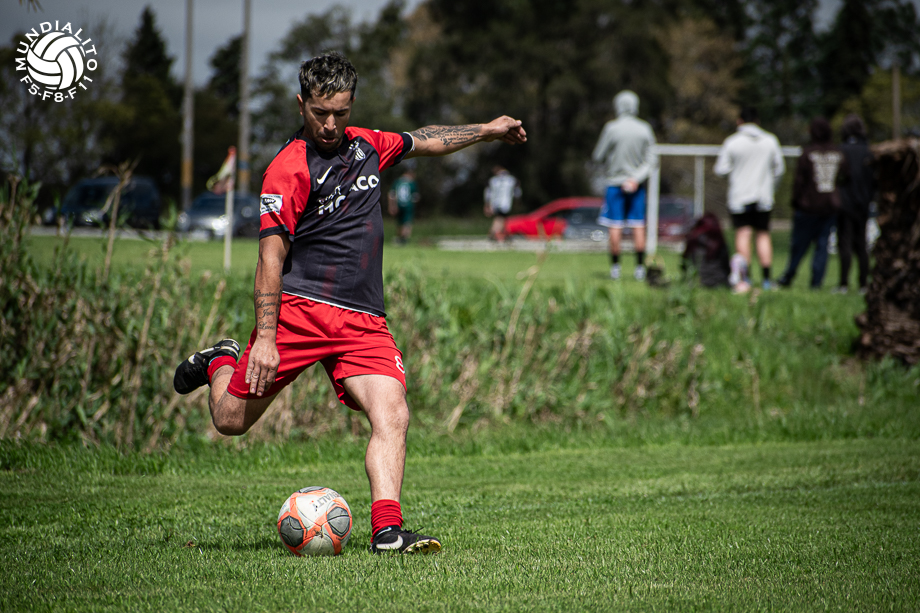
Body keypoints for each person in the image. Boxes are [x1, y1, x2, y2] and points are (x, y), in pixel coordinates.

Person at [172, 52, 526, 554]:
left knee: (393, 413)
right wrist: (266, 338)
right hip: (300, 312)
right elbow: (270, 258)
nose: (331, 124)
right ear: (301, 104)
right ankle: (222, 361)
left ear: (352, 104)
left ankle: (387, 531)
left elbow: (426, 139)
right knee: (230, 420)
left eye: (341, 112)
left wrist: (487, 130)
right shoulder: (288, 169)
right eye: (320, 112)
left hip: (363, 320)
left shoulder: (368, 146)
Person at [713, 106, 785, 290]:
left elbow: (721, 169)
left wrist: (736, 171)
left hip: (740, 196)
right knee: (763, 234)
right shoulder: (770, 140)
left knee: (743, 233)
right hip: (763, 196)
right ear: (757, 121)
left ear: (739, 121)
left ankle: (745, 278)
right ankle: (767, 279)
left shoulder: (733, 142)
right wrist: (771, 187)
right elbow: (779, 169)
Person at [592, 90, 658, 281]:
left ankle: (616, 269)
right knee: (638, 225)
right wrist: (636, 178)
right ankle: (639, 269)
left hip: (615, 183)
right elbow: (652, 160)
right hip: (636, 184)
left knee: (615, 226)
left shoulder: (612, 128)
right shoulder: (645, 128)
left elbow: (598, 155)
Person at [777, 117, 849, 289]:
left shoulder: (808, 153)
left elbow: (799, 182)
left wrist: (795, 202)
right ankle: (816, 282)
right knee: (822, 245)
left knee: (799, 245)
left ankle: (789, 275)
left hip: (808, 207)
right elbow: (846, 176)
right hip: (829, 206)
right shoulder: (838, 153)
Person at [834, 114, 874, 294]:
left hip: (845, 203)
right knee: (861, 243)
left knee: (845, 243)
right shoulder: (869, 151)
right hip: (864, 203)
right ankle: (863, 284)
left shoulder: (841, 150)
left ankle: (843, 283)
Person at [681, 212, 730, 288]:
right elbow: (727, 266)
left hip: (696, 282)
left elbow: (684, 264)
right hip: (719, 281)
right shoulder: (719, 241)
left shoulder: (693, 239)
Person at [483, 165, 521, 242]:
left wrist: (487, 204)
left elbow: (488, 193)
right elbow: (517, 192)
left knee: (501, 218)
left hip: (495, 203)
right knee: (500, 218)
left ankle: (504, 234)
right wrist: (517, 202)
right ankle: (493, 234)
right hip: (506, 203)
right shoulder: (512, 180)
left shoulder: (493, 180)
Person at [387, 166, 419, 245]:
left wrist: (391, 205)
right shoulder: (411, 183)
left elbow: (391, 195)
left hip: (398, 204)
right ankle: (404, 239)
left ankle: (399, 238)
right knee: (407, 222)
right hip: (408, 205)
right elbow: (415, 197)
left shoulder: (397, 182)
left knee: (399, 222)